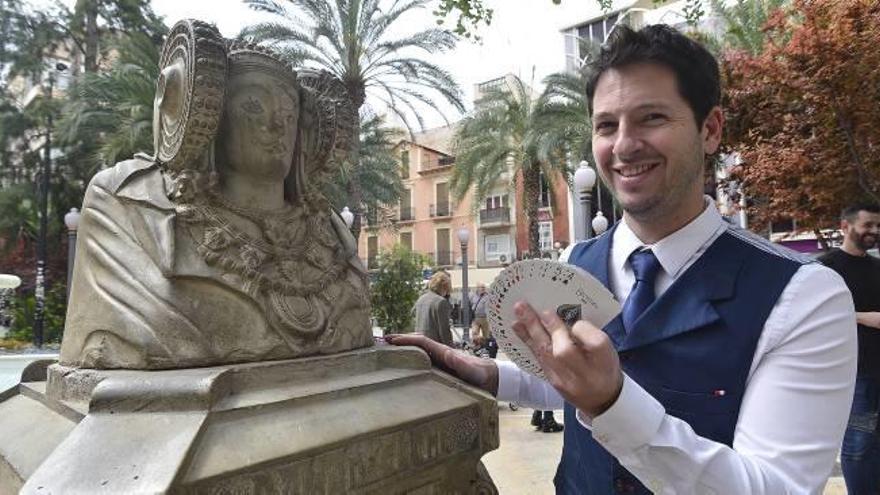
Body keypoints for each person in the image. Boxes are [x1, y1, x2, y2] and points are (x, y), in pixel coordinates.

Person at [387, 24, 856, 494]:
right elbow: (570, 383)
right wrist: (489, 375)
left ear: (710, 129)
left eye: (651, 117)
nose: (625, 145)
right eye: (606, 125)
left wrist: (614, 405)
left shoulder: (802, 296)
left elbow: (778, 488)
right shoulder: (575, 261)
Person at [61, 21, 372, 369]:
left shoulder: (329, 230)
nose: (277, 125)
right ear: (205, 117)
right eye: (253, 107)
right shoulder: (129, 201)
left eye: (289, 113)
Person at [818, 203, 880, 494]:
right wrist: (862, 317)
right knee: (858, 445)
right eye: (868, 225)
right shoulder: (824, 269)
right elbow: (816, 316)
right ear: (845, 226)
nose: (874, 232)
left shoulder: (877, 267)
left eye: (878, 226)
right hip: (854, 372)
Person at [413, 272, 453, 346]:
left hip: (420, 344)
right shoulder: (441, 302)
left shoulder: (421, 299)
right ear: (444, 286)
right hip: (434, 346)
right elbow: (444, 331)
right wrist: (451, 348)